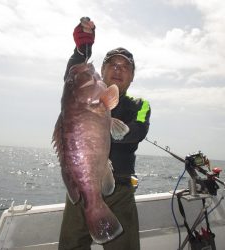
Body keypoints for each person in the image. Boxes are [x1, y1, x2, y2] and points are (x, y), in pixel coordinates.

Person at [59, 18, 151, 250]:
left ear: (132, 76)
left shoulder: (140, 105)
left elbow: (137, 132)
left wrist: (103, 124)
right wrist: (82, 49)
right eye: (112, 64)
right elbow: (72, 78)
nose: (118, 69)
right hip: (81, 191)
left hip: (119, 189)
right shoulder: (81, 93)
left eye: (125, 67)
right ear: (101, 71)